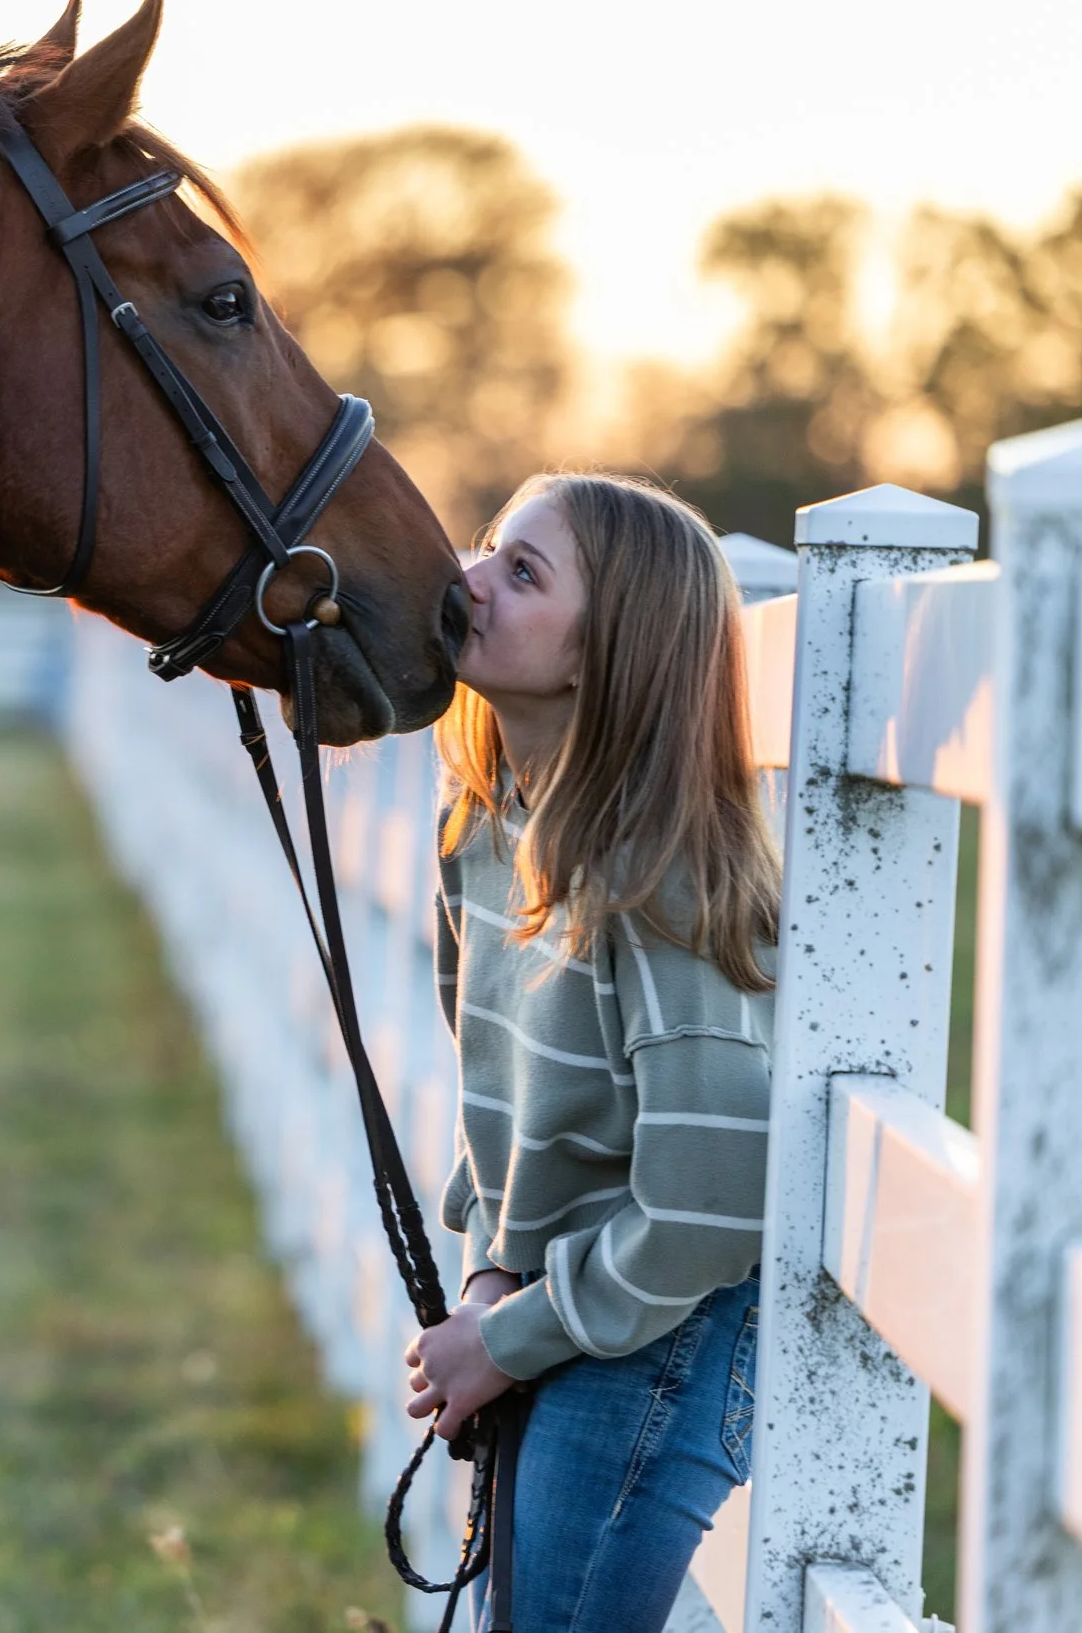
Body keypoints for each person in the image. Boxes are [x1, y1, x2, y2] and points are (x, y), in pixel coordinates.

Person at [402, 473, 780, 1632]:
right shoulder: (480, 828)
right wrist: (485, 1274)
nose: (468, 579)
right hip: (561, 1299)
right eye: (488, 548)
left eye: (523, 573)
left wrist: (506, 1339)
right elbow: (493, 1113)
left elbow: (708, 1209)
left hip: (659, 1332)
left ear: (607, 652)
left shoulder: (660, 878)